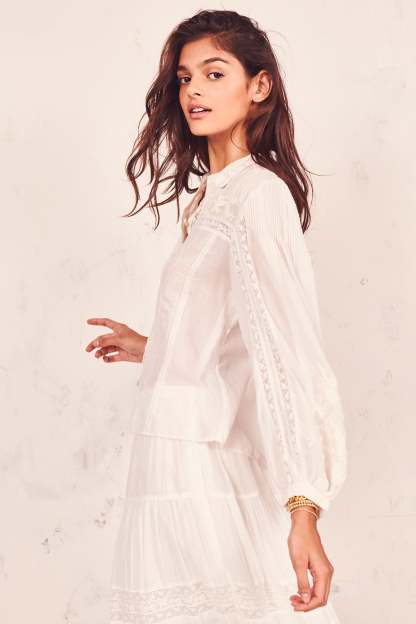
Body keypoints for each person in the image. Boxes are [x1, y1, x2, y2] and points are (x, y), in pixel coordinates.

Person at [85, 9, 347, 623]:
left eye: (214, 73)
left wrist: (303, 503)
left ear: (260, 85)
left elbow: (286, 352)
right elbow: (227, 336)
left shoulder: (259, 195)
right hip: (168, 455)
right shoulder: (212, 197)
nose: (193, 91)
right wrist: (155, 345)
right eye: (184, 78)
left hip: (202, 463)